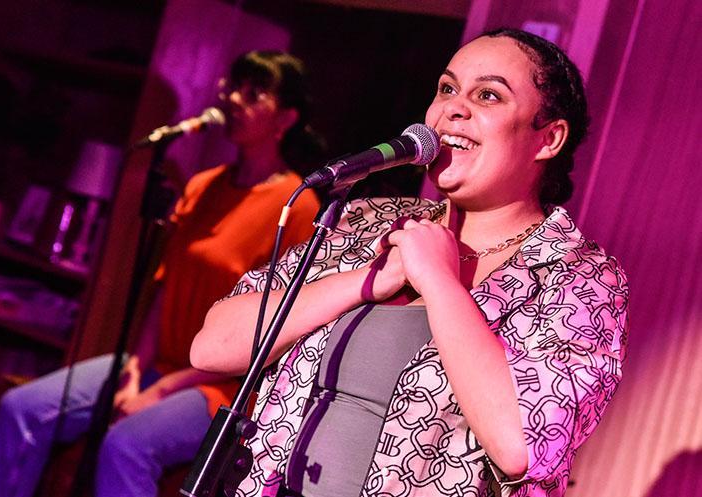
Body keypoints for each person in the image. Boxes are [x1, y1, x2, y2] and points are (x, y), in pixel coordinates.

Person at [190, 29, 629, 497]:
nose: (453, 109)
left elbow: (524, 441)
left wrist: (439, 282)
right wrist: (368, 281)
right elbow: (212, 347)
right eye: (446, 88)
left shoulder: (580, 277)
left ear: (548, 138)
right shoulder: (367, 222)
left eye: (488, 94)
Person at [0, 50, 322, 497]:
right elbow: (162, 291)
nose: (234, 99)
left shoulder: (297, 206)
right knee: (20, 408)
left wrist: (161, 393)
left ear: (285, 118)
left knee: (126, 446)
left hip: (221, 386)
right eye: (232, 87)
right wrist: (136, 370)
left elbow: (274, 332)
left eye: (254, 93)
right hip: (157, 364)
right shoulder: (202, 184)